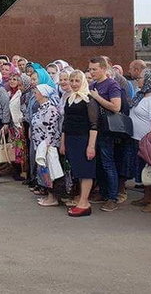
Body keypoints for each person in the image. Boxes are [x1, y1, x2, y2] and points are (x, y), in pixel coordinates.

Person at [60, 70, 100, 216]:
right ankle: (81, 200)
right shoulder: (69, 99)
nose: (74, 84)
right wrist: (63, 142)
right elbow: (65, 123)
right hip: (71, 139)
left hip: (84, 139)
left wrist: (91, 146)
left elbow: (94, 125)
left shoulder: (89, 100)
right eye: (72, 81)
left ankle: (84, 202)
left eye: (77, 81)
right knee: (77, 171)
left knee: (86, 171)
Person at [88, 56, 123, 212]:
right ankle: (102, 192)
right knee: (99, 163)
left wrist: (97, 97)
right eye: (90, 69)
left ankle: (112, 197)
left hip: (108, 130)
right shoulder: (93, 84)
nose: (92, 72)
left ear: (103, 68)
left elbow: (116, 107)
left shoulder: (112, 84)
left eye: (95, 69)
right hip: (95, 129)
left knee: (108, 163)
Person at [129, 69, 151, 213]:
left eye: (141, 77)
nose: (138, 79)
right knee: (144, 170)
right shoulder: (143, 95)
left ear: (150, 79)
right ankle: (147, 196)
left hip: (149, 142)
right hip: (139, 139)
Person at [31, 84, 63, 206]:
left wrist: (47, 146)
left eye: (36, 92)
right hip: (39, 145)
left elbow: (51, 129)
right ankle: (49, 195)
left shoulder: (51, 109)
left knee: (50, 171)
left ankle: (52, 197)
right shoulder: (41, 108)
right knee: (44, 172)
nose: (35, 94)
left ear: (43, 94)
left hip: (47, 147)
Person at [7, 73, 28, 180]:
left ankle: (21, 171)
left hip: (19, 126)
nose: (12, 81)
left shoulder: (21, 94)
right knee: (15, 149)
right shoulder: (11, 93)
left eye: (14, 79)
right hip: (13, 126)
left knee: (20, 150)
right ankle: (16, 170)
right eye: (10, 79)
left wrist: (20, 125)